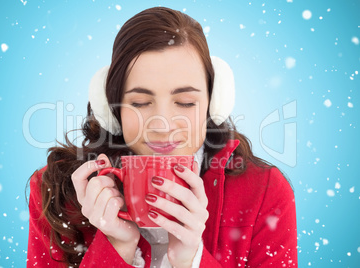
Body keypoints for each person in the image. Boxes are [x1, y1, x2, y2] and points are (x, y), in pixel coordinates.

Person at [26, 6, 297, 268]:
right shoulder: (57, 192)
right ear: (111, 108)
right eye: (141, 103)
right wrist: (116, 249)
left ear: (214, 104)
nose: (163, 125)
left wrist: (191, 261)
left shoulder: (264, 193)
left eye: (186, 102)